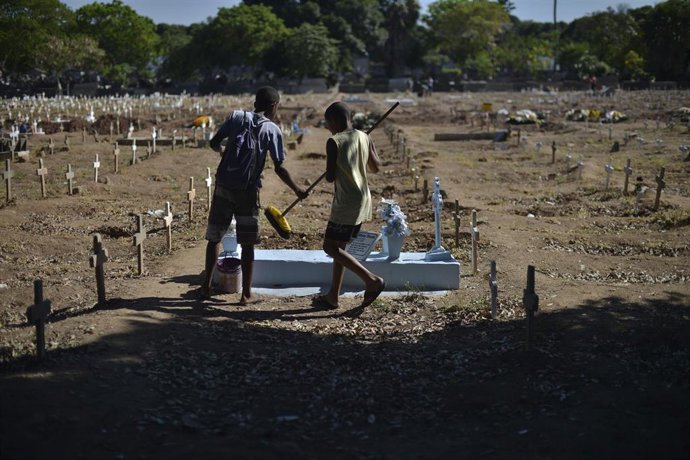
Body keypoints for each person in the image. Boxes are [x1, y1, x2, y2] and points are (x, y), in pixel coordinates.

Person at [202, 86, 307, 303]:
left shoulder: (236, 117)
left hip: (224, 185)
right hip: (248, 192)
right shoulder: (272, 130)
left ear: (255, 103)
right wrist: (297, 189)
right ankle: (246, 294)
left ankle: (205, 289)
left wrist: (224, 152)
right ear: (274, 106)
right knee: (248, 243)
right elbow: (279, 167)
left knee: (214, 238)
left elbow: (214, 143)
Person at [314, 102, 386, 312]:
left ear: (334, 121)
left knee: (330, 247)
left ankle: (372, 280)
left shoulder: (333, 141)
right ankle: (333, 296)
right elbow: (376, 167)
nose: (328, 128)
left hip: (346, 202)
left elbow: (329, 177)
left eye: (328, 124)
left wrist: (337, 160)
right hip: (363, 198)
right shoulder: (364, 136)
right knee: (340, 248)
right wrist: (366, 145)